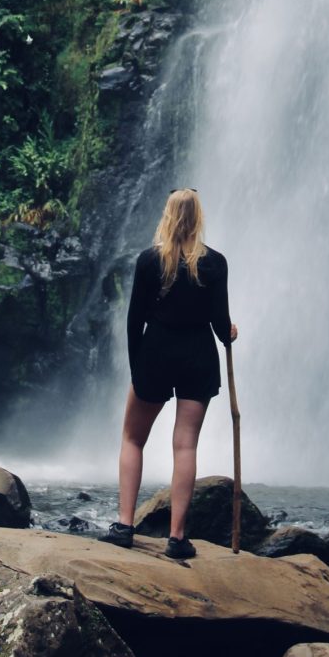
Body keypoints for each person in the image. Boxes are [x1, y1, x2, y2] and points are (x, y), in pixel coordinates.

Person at [101, 188, 237, 559]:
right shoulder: (216, 263)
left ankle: (125, 526)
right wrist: (231, 333)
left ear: (167, 216)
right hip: (198, 356)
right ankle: (177, 538)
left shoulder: (149, 261)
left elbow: (135, 321)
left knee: (132, 439)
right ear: (198, 219)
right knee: (186, 445)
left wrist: (136, 367)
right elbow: (219, 324)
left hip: (156, 352)